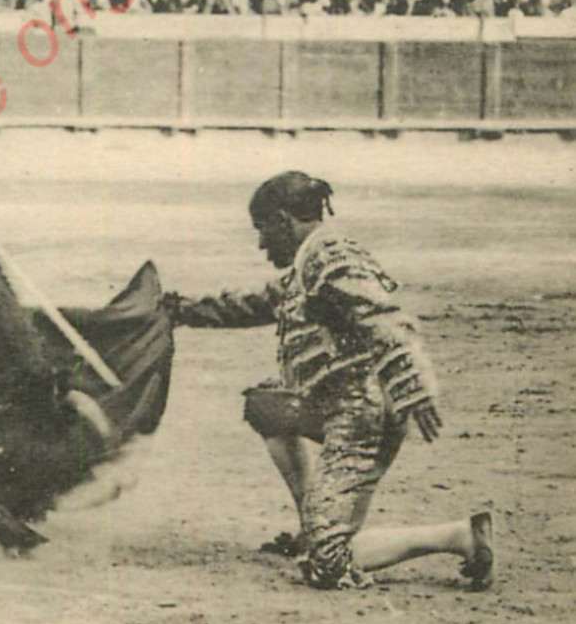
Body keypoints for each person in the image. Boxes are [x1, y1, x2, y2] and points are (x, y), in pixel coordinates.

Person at [164, 171, 494, 592]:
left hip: (362, 416)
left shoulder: (332, 258)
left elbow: (384, 319)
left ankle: (459, 536)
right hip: (337, 402)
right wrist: (183, 310)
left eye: (263, 231)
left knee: (327, 562)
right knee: (265, 404)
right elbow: (259, 303)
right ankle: (314, 521)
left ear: (283, 221)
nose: (262, 244)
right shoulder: (314, 259)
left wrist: (412, 386)